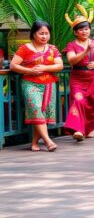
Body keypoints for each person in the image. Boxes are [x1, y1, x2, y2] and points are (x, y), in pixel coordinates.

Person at [10, 21, 63, 152]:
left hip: (49, 84)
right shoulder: (25, 48)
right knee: (36, 108)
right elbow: (13, 65)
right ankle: (48, 141)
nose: (44, 36)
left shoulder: (52, 49)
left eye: (46, 33)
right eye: (41, 33)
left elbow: (60, 65)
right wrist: (30, 71)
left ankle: (34, 142)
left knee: (42, 113)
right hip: (30, 83)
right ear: (34, 34)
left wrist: (45, 67)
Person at [63, 5, 94, 141]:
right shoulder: (71, 45)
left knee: (93, 103)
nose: (84, 32)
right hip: (78, 78)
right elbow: (72, 61)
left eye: (86, 29)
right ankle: (78, 129)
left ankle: (89, 128)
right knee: (78, 100)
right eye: (81, 29)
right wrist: (85, 51)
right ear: (75, 32)